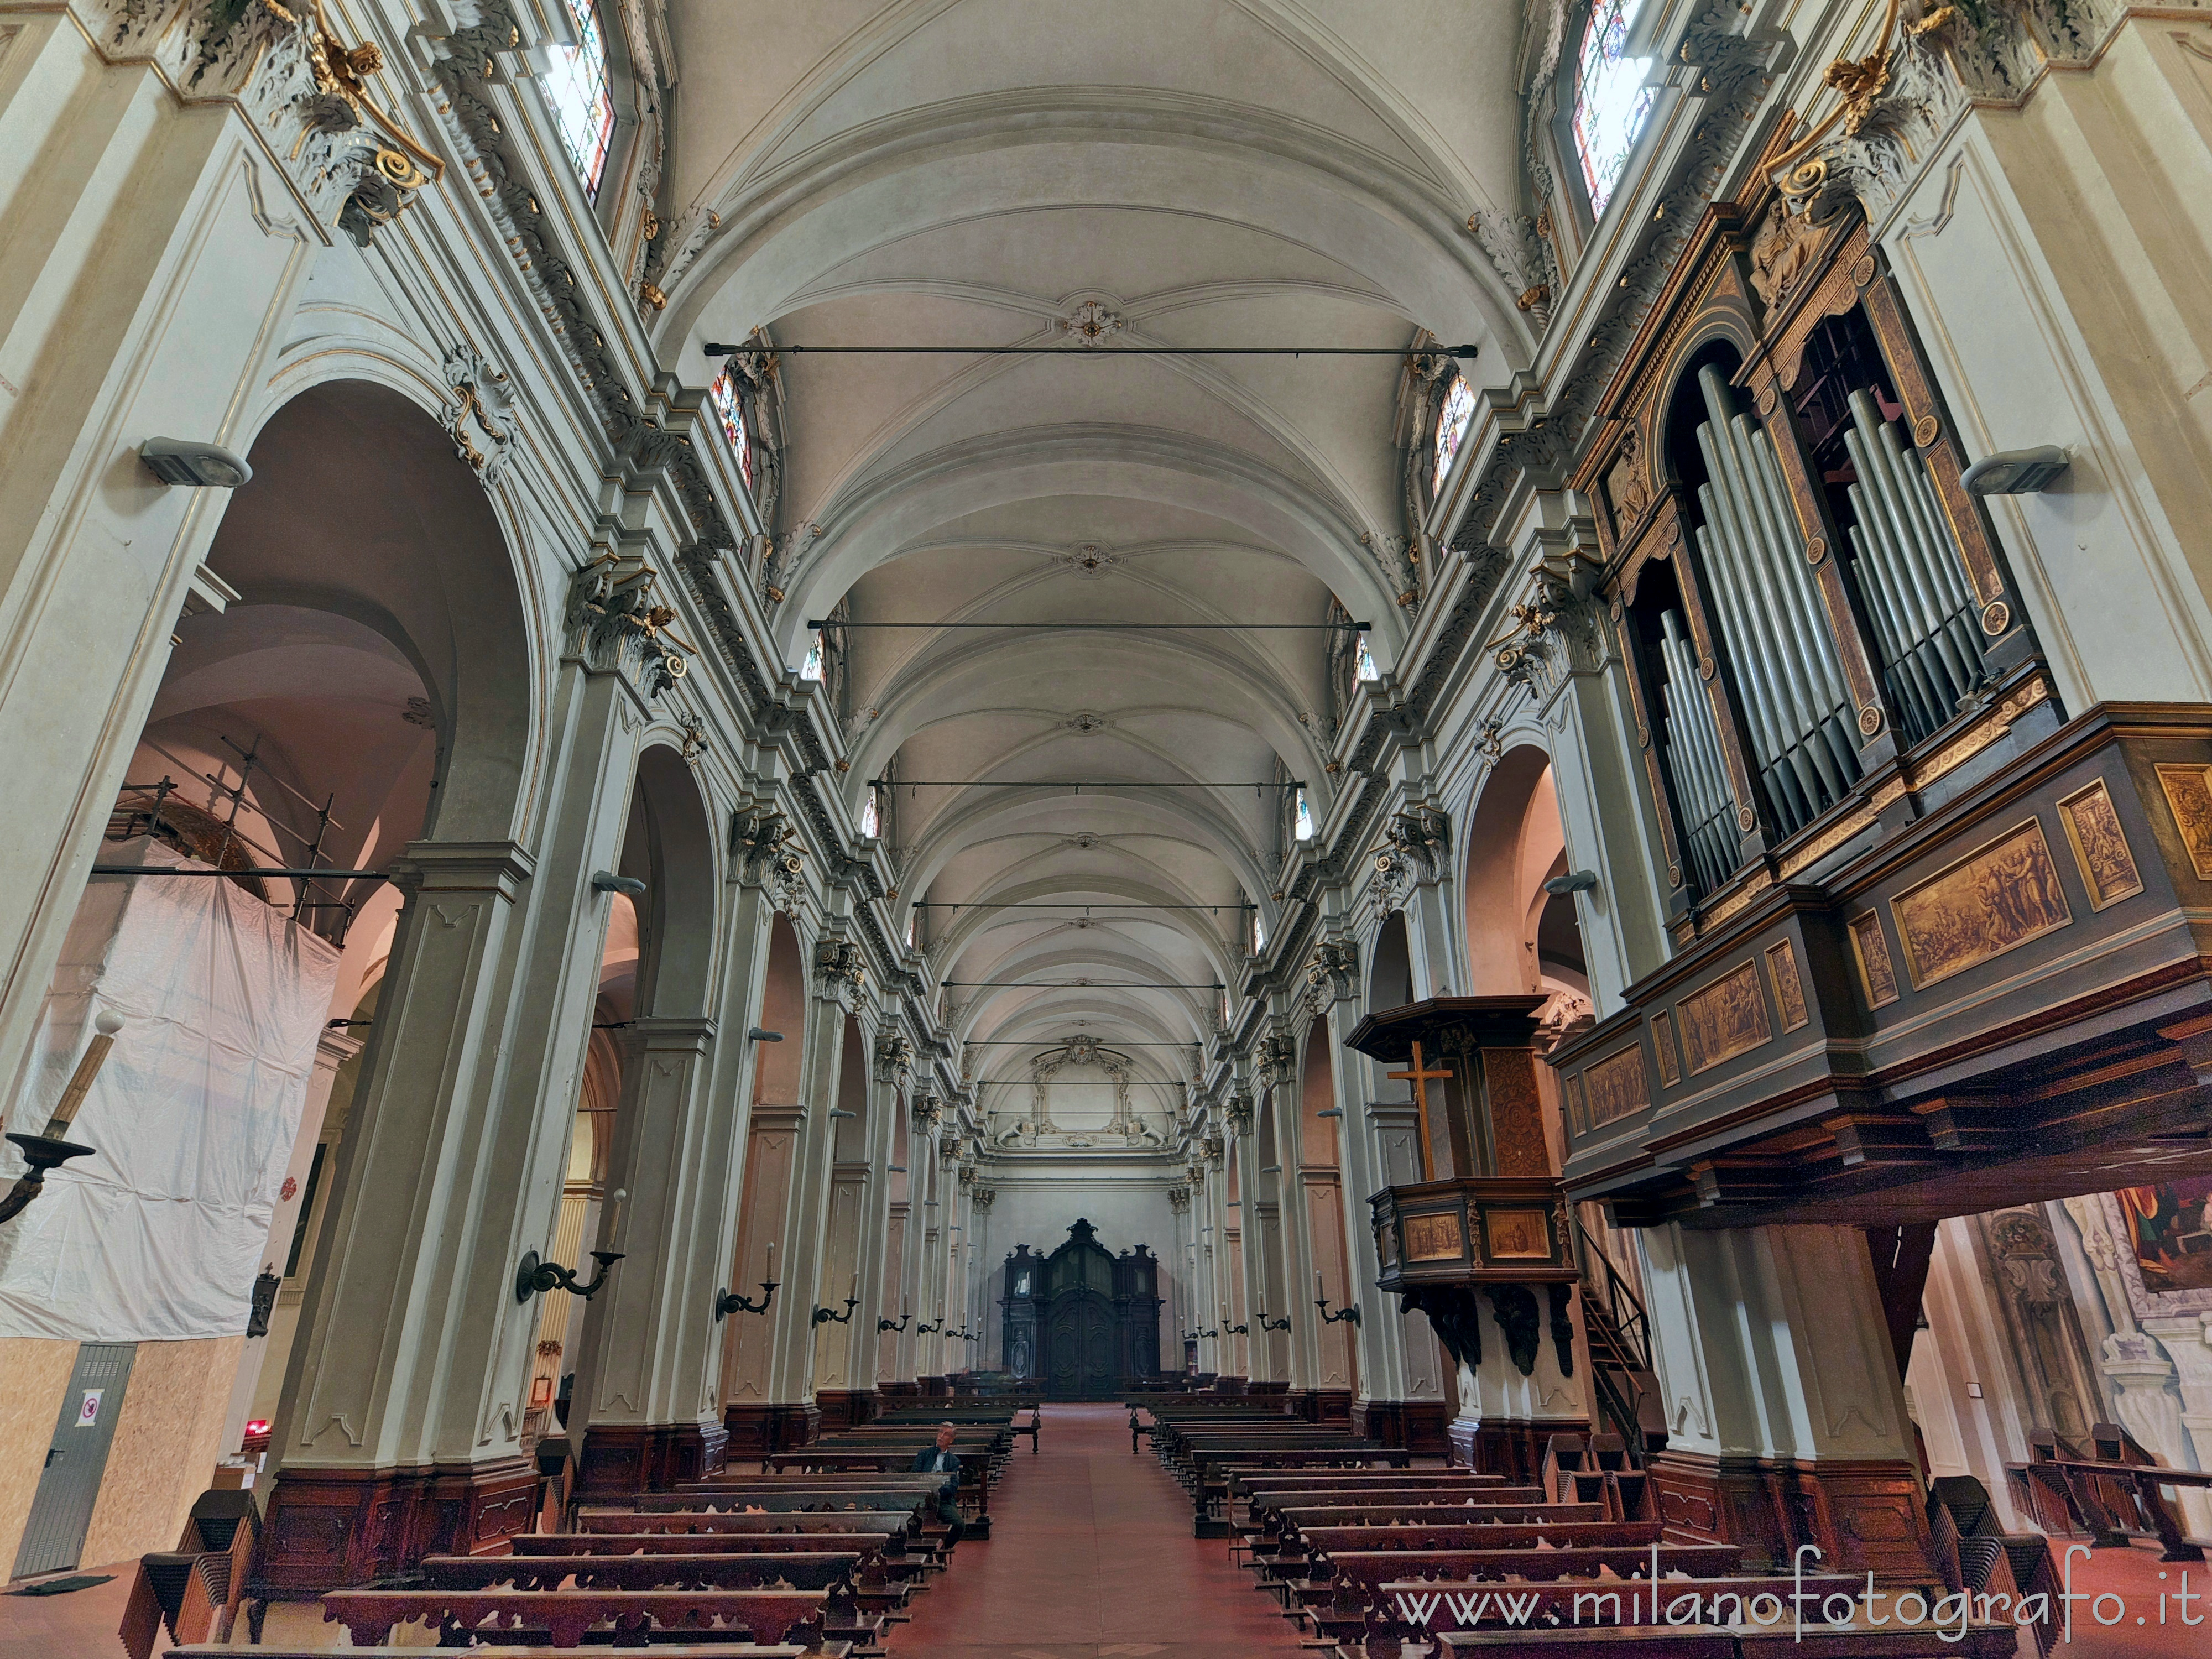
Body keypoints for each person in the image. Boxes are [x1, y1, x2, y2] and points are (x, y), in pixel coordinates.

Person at [910, 1420, 964, 1544]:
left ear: (951, 1440)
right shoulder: (924, 1454)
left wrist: (937, 1491)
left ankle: (945, 1549)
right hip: (920, 1500)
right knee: (910, 1522)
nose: (941, 1436)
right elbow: (914, 1477)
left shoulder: (953, 1461)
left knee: (959, 1525)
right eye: (940, 1432)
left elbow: (953, 1488)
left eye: (946, 1434)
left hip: (942, 1502)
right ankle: (918, 1550)